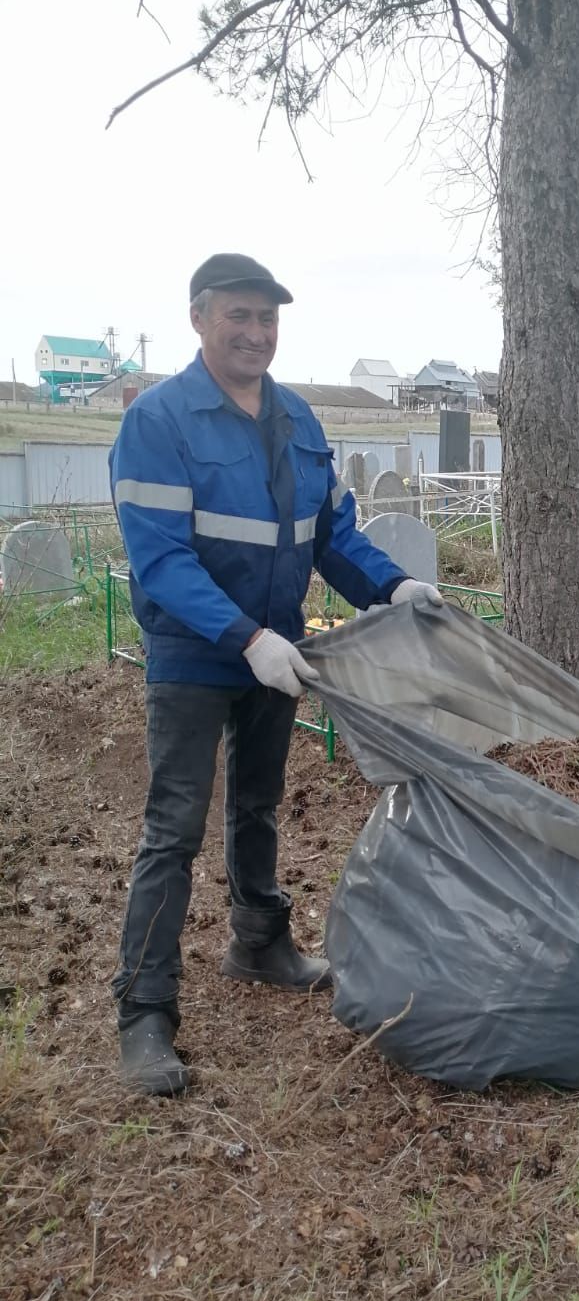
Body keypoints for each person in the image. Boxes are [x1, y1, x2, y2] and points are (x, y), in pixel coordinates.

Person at [109, 253, 443, 1097]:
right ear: (198, 319)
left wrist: (393, 584)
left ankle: (259, 944)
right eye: (238, 318)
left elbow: (332, 534)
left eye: (268, 320)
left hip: (276, 652)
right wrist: (243, 633)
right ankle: (145, 1011)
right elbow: (160, 558)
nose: (256, 334)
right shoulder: (159, 420)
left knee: (257, 805)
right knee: (173, 828)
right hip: (195, 654)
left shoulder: (296, 418)